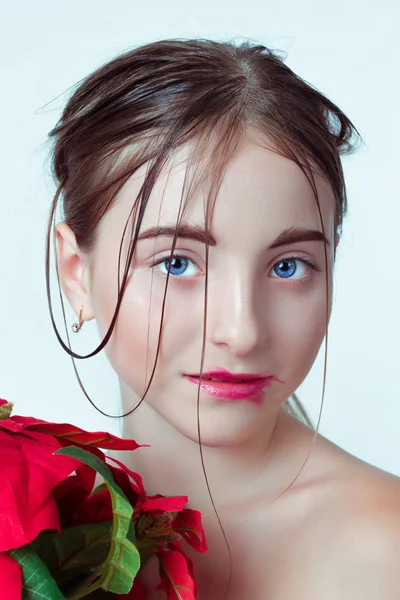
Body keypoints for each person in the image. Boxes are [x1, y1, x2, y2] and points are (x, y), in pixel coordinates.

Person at [51, 39, 400, 598]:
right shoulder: (36, 526)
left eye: (289, 266)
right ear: (75, 272)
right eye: (177, 262)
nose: (242, 332)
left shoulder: (386, 555)